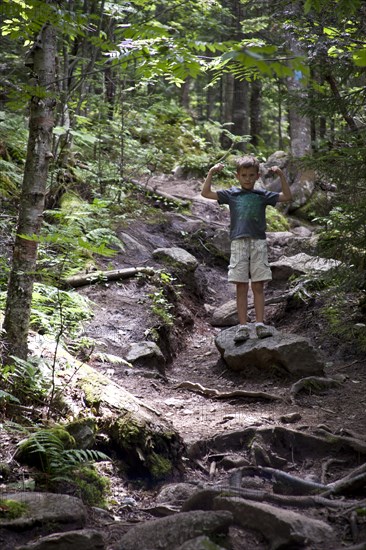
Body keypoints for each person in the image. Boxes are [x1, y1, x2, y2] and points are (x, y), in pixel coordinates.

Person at [201, 155, 292, 342]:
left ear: (257, 176)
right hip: (238, 243)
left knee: (258, 285)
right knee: (241, 286)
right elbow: (206, 193)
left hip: (258, 243)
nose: (248, 179)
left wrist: (281, 176)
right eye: (244, 175)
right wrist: (211, 172)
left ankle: (259, 324)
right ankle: (242, 326)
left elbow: (287, 197)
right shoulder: (231, 194)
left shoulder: (262, 195)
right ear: (238, 176)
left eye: (251, 175)